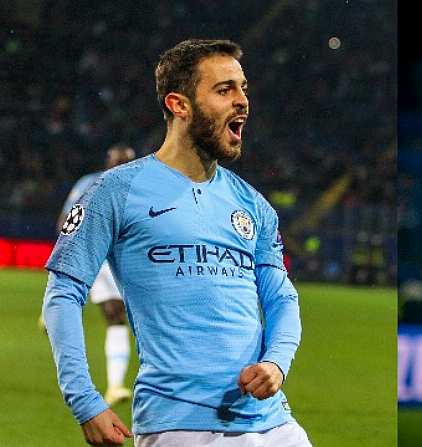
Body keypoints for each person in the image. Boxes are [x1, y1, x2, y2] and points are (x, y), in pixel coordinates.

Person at [42, 39, 312, 447]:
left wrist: (277, 361)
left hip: (275, 425)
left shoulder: (253, 204)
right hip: (180, 428)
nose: (242, 102)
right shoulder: (116, 191)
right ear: (179, 104)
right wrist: (85, 400)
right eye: (225, 90)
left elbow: (281, 299)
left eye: (244, 89)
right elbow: (63, 292)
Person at [40, 144, 136, 406]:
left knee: (116, 317)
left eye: (126, 160)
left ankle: (115, 386)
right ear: (108, 160)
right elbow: (65, 220)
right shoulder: (90, 183)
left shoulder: (139, 187)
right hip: (96, 256)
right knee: (106, 311)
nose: (121, 164)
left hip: (122, 259)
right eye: (118, 160)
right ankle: (51, 312)